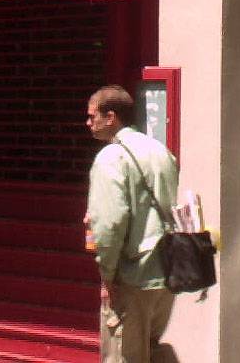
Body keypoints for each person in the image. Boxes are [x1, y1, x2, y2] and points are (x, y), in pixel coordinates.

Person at [85, 84, 180, 363]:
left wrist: (108, 274)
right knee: (153, 349)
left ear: (111, 117)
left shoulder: (110, 157)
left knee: (122, 355)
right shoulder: (160, 151)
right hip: (166, 269)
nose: (88, 123)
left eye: (93, 116)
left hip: (133, 274)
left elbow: (110, 223)